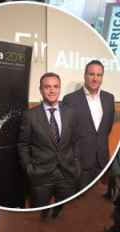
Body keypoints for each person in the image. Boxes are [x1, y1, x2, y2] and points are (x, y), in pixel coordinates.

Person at [18, 72, 80, 219]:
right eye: (47, 87)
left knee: (62, 206)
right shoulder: (30, 115)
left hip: (66, 173)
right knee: (38, 213)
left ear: (59, 89)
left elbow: (76, 141)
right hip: (40, 175)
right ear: (40, 89)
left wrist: (76, 164)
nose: (52, 90)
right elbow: (23, 144)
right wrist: (29, 168)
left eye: (55, 86)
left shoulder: (70, 113)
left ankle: (55, 214)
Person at [62, 60, 115, 187]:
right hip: (80, 164)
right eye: (91, 74)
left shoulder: (109, 98)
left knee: (98, 200)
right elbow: (66, 133)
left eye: (99, 75)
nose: (95, 78)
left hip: (102, 161)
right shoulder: (70, 99)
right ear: (84, 75)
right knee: (79, 203)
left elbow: (107, 128)